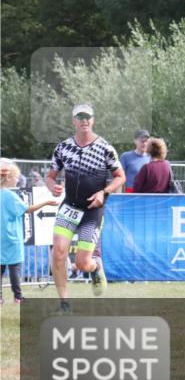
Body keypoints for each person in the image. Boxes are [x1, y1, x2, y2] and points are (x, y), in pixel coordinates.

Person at [45, 104, 126, 310]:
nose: (84, 121)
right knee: (58, 253)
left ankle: (95, 266)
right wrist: (52, 186)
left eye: (87, 117)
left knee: (82, 263)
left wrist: (104, 192)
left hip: (92, 210)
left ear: (93, 120)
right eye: (80, 117)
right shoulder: (63, 148)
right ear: (73, 121)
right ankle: (64, 304)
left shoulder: (105, 148)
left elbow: (120, 177)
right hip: (69, 207)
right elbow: (50, 175)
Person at [1, 159, 57, 304]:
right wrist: (46, 202)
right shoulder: (10, 196)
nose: (18, 180)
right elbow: (27, 209)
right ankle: (18, 297)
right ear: (8, 178)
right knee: (15, 267)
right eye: (16, 177)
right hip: (12, 238)